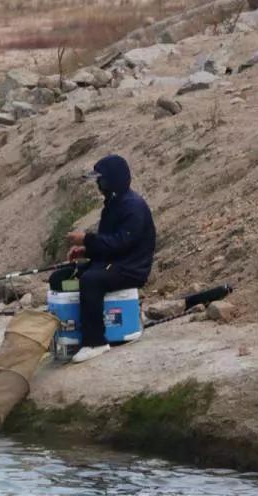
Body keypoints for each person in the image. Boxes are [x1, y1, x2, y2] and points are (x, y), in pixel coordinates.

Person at [49, 154, 155, 364]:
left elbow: (120, 244)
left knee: (90, 281)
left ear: (113, 180)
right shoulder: (113, 204)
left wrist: (86, 239)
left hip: (129, 268)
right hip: (111, 263)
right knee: (60, 278)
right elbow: (108, 244)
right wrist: (85, 251)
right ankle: (71, 332)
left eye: (101, 179)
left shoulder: (133, 206)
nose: (98, 184)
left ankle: (95, 341)